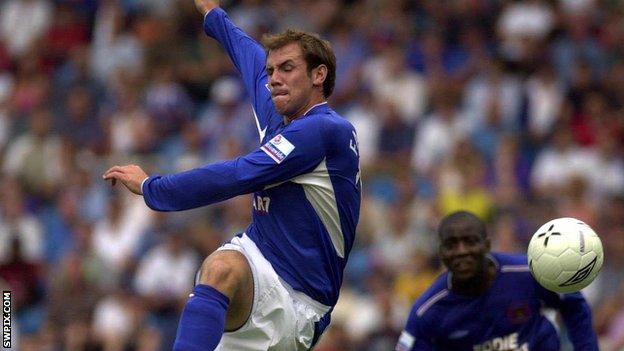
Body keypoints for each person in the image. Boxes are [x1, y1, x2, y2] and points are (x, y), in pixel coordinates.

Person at [102, 0, 361, 350]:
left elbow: (238, 175)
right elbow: (248, 54)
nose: (274, 79)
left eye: (287, 68)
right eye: (273, 71)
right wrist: (213, 13)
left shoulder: (325, 130)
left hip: (300, 301)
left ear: (319, 75)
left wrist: (152, 188)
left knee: (222, 268)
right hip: (260, 261)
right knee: (221, 268)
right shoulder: (279, 112)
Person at [395, 211, 599, 351]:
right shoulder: (427, 311)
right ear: (441, 253)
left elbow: (574, 304)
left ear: (487, 245)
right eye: (451, 245)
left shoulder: (528, 273)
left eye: (470, 241)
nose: (462, 251)